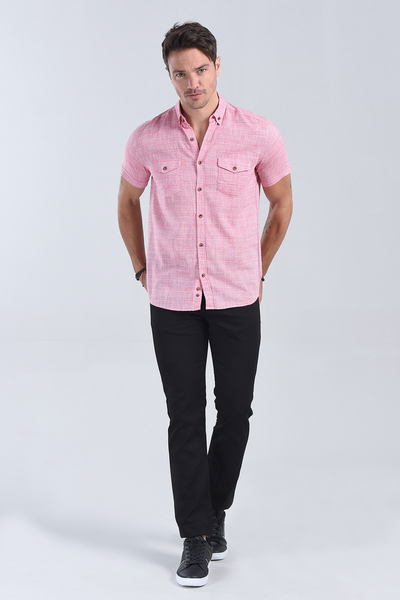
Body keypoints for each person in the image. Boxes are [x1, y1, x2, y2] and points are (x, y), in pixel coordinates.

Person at [118, 21, 292, 587]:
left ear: (217, 67)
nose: (192, 82)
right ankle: (195, 535)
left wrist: (258, 268)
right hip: (171, 300)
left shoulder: (258, 133)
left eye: (200, 69)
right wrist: (142, 268)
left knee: (236, 410)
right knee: (185, 415)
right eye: (180, 73)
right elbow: (126, 202)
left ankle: (216, 507)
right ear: (168, 76)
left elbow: (282, 204)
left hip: (237, 294)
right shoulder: (147, 138)